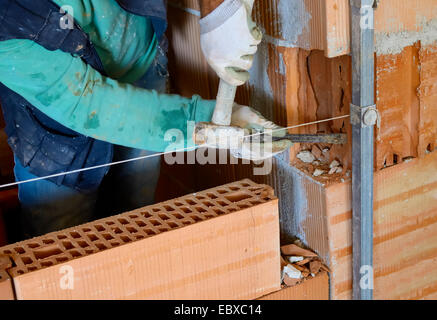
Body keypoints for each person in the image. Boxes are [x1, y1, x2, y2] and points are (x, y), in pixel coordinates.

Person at [0, 0, 291, 238]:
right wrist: (206, 125)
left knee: (135, 223)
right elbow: (89, 102)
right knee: (60, 244)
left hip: (139, 65)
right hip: (52, 122)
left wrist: (219, 11)